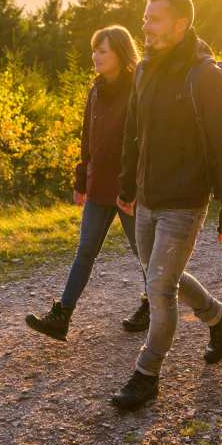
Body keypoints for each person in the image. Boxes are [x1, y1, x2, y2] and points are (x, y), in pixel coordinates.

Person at [110, 0, 222, 411]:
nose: (145, 26)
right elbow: (135, 133)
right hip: (149, 196)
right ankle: (221, 319)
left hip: (185, 201)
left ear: (180, 25)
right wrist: (127, 187)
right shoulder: (145, 69)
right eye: (145, 18)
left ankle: (146, 375)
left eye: (154, 19)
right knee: (159, 275)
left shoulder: (205, 77)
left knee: (160, 286)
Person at [25, 25, 151, 341]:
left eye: (102, 50)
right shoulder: (95, 90)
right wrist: (81, 180)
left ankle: (157, 305)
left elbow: (143, 142)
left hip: (128, 189)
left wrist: (132, 189)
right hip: (98, 186)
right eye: (94, 50)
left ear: (121, 53)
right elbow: (87, 140)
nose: (95, 56)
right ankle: (62, 316)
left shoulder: (138, 88)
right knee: (85, 251)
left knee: (146, 253)